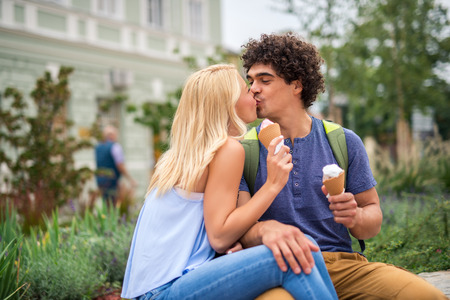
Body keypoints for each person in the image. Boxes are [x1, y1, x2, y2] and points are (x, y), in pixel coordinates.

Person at [238, 32, 447, 300]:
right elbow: (240, 228)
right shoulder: (244, 150)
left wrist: (356, 217)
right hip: (279, 270)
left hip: (344, 268)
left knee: (426, 296)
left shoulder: (343, 141)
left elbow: (372, 218)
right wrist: (265, 230)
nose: (253, 88)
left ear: (297, 85)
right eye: (251, 80)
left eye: (264, 80)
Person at [121, 64, 338, 300]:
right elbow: (220, 235)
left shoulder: (182, 156)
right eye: (246, 90)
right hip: (162, 292)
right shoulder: (228, 149)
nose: (254, 93)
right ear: (227, 103)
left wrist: (233, 246)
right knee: (293, 252)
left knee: (303, 244)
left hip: (153, 290)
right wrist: (273, 185)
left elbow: (220, 228)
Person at [95, 124, 137, 207]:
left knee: (106, 204)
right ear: (112, 135)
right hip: (112, 180)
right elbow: (120, 165)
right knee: (114, 205)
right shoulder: (115, 147)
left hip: (100, 180)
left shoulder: (98, 147)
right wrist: (131, 179)